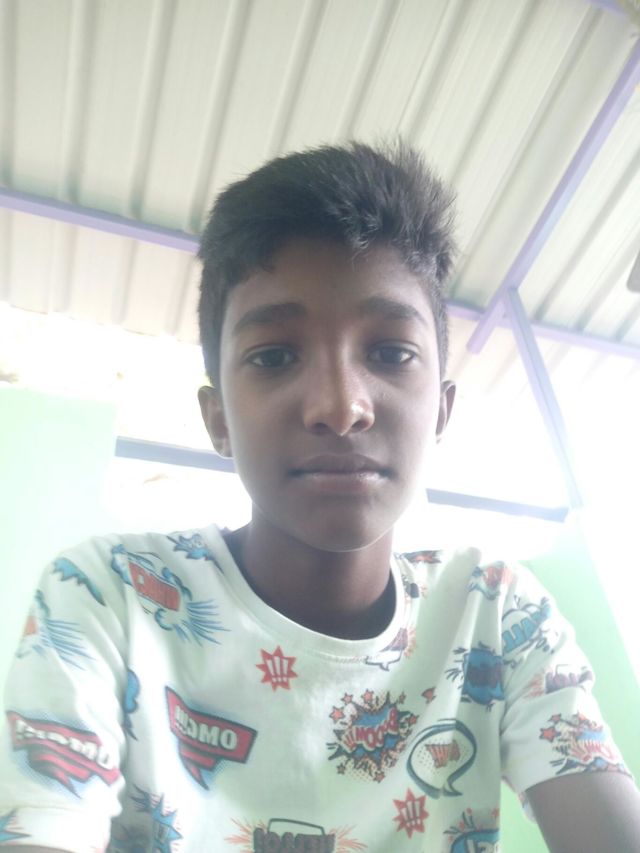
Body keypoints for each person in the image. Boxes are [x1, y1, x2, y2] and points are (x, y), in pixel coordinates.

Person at [1, 141, 638, 853]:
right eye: (274, 355)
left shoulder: (496, 614)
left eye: (390, 352)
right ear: (218, 419)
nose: (341, 407)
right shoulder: (109, 596)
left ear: (441, 410)